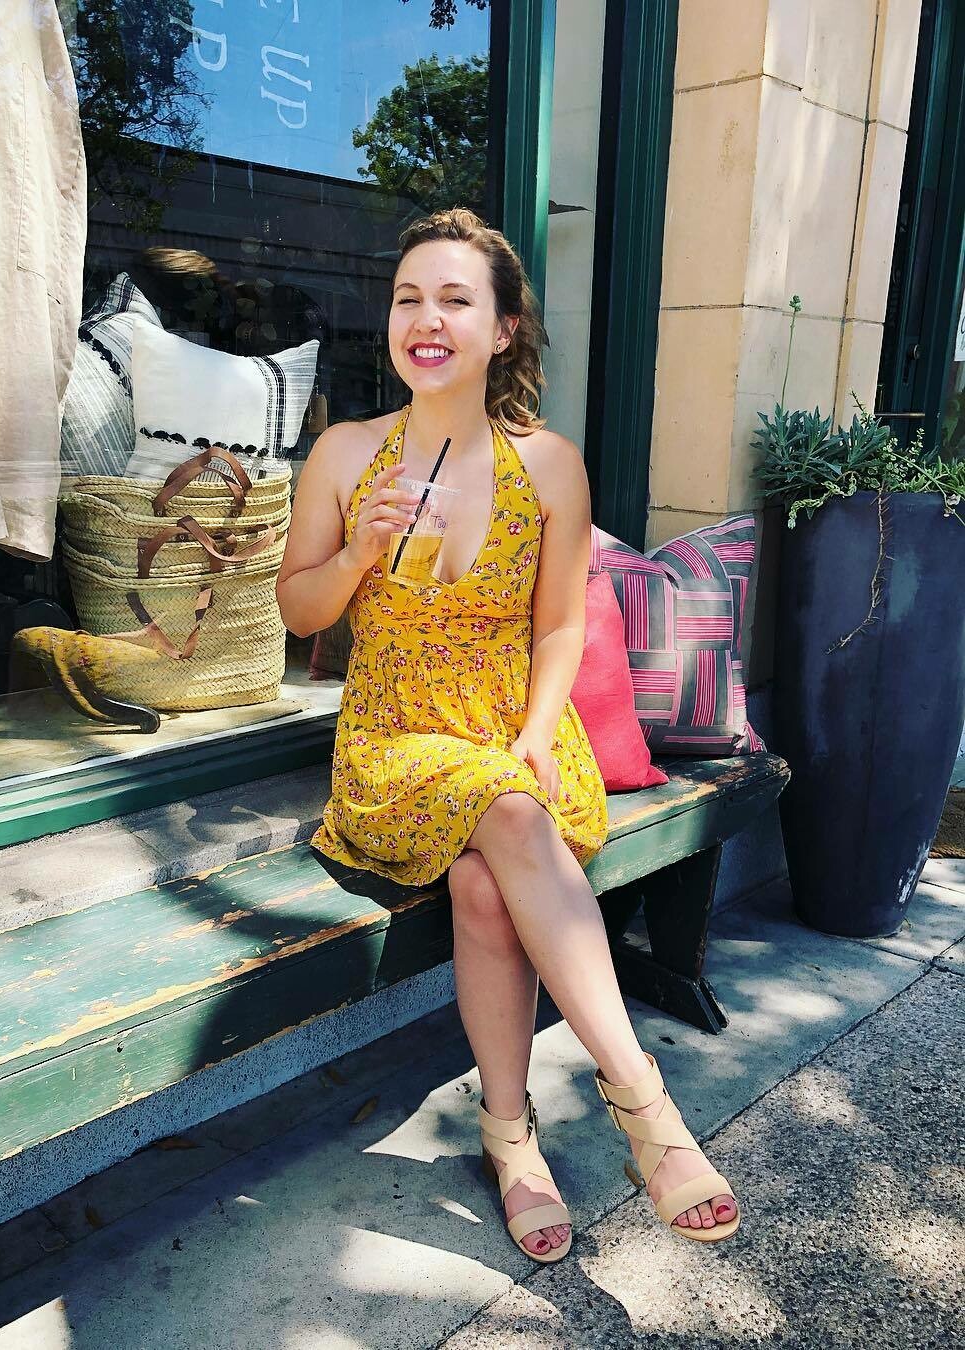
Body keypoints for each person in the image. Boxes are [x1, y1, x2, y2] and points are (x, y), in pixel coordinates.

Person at [276, 208, 740, 1263]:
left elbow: (562, 623)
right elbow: (299, 612)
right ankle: (648, 1112)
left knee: (489, 883)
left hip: (513, 735)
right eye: (408, 299)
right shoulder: (347, 454)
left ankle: (510, 1140)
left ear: (502, 329)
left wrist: (536, 730)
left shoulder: (549, 464)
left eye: (455, 300)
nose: (426, 320)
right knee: (511, 820)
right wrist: (355, 555)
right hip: (397, 741)